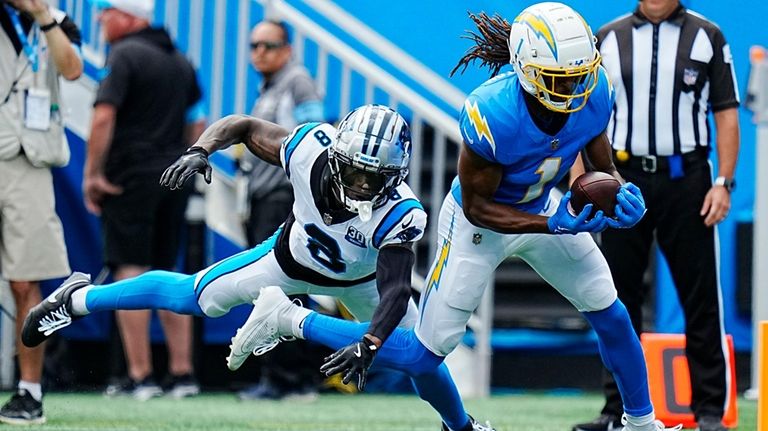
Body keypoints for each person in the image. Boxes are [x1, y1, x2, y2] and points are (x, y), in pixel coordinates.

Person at [222, 4, 685, 431]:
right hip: (479, 224)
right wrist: (553, 224)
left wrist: (621, 194)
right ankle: (287, 317)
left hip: (544, 204)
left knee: (612, 314)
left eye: (581, 75)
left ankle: (641, 424)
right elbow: (479, 207)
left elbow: (601, 167)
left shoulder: (594, 92)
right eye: (558, 77)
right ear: (526, 70)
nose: (573, 88)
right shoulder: (493, 111)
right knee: (423, 356)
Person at [21, 104, 493, 431]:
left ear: (395, 176)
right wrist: (200, 149)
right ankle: (77, 299)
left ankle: (460, 426)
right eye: (353, 171)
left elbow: (394, 291)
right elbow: (243, 125)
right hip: (286, 260)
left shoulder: (399, 213)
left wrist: (369, 342)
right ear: (335, 156)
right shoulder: (310, 150)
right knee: (193, 297)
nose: (362, 184)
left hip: (364, 282)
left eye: (375, 177)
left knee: (421, 360)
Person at [572, 1, 740, 431]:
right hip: (621, 178)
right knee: (613, 298)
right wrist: (581, 178)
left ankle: (708, 412)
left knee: (701, 298)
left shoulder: (708, 35)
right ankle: (616, 410)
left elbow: (725, 112)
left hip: (688, 181)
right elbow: (583, 114)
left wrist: (724, 181)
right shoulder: (605, 38)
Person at [83, 0, 205, 399]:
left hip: (131, 178)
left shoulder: (123, 55)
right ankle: (183, 376)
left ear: (130, 17)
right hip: (175, 177)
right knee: (169, 271)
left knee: (130, 272)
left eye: (106, 10)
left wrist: (92, 175)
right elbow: (198, 123)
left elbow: (103, 116)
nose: (100, 18)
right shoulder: (181, 61)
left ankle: (140, 376)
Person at [0, 0, 82, 424]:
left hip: (29, 161)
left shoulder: (55, 21)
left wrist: (43, 16)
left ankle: (29, 392)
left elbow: (72, 70)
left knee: (25, 279)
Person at [236, 19, 325, 401]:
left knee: (279, 288)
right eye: (254, 45)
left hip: (283, 200)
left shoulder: (297, 82)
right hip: (265, 197)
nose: (259, 53)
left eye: (268, 45)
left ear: (287, 49)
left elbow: (318, 136)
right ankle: (293, 375)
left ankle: (287, 377)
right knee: (281, 288)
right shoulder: (271, 87)